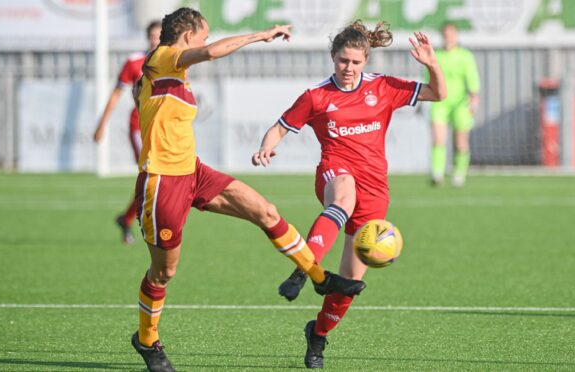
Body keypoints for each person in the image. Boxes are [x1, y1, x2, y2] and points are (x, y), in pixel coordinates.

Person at [130, 8, 366, 372]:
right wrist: (261, 35)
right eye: (204, 34)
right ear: (189, 35)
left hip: (193, 171)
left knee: (265, 211)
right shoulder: (164, 58)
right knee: (164, 273)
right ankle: (146, 340)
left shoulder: (170, 72)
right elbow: (210, 53)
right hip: (162, 182)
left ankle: (320, 278)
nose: (206, 41)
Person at [252, 21, 446, 368]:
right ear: (333, 57)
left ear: (366, 61)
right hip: (335, 171)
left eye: (355, 62)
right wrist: (265, 148)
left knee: (350, 282)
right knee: (343, 196)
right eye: (343, 61)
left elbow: (438, 93)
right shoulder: (316, 96)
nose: (348, 68)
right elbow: (280, 127)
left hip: (375, 189)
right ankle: (303, 271)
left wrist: (431, 63)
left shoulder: (383, 88)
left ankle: (318, 335)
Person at [93, 20, 162, 244]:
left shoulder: (172, 60)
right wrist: (102, 124)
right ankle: (145, 223)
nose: (156, 39)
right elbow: (116, 94)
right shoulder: (134, 62)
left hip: (164, 127)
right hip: (139, 125)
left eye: (160, 35)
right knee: (151, 173)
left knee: (158, 176)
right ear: (147, 37)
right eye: (153, 35)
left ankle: (127, 219)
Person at [428, 22, 480, 187]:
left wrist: (473, 98)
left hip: (460, 103)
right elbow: (428, 79)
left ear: (456, 36)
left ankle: (459, 173)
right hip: (440, 102)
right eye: (445, 35)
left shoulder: (465, 56)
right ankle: (437, 173)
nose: (448, 38)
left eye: (451, 35)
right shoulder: (436, 56)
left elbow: (472, 79)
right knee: (438, 138)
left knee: (461, 141)